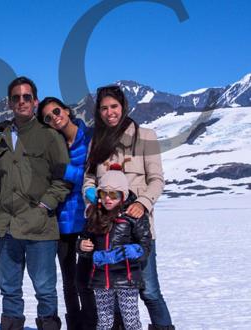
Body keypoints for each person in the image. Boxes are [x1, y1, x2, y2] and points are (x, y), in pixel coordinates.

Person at [83, 85, 174, 329]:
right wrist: (91, 196)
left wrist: (143, 203)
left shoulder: (146, 136)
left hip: (136, 232)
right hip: (106, 233)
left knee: (150, 291)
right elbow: (89, 179)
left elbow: (156, 179)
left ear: (123, 107)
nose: (109, 112)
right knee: (112, 297)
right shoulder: (97, 141)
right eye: (104, 108)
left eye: (114, 106)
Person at [0, 76, 71, 330]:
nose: (21, 101)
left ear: (35, 102)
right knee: (9, 289)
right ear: (9, 102)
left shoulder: (49, 136)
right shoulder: (0, 139)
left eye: (27, 97)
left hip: (40, 228)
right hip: (9, 227)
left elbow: (63, 178)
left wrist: (46, 205)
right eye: (16, 97)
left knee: (45, 290)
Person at [37, 97, 97, 330]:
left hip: (87, 221)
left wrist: (65, 170)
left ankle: (92, 324)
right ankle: (75, 325)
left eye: (56, 111)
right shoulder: (53, 144)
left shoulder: (91, 137)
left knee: (87, 281)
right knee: (68, 283)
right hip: (60, 223)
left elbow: (94, 175)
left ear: (67, 110)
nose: (54, 117)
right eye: (48, 118)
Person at [79, 163, 152, 330]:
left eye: (113, 194)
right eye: (104, 193)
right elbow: (84, 241)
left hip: (126, 278)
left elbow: (145, 245)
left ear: (123, 195)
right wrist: (82, 246)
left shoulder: (133, 217)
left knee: (131, 321)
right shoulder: (94, 215)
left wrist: (135, 251)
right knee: (104, 322)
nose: (108, 198)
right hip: (101, 278)